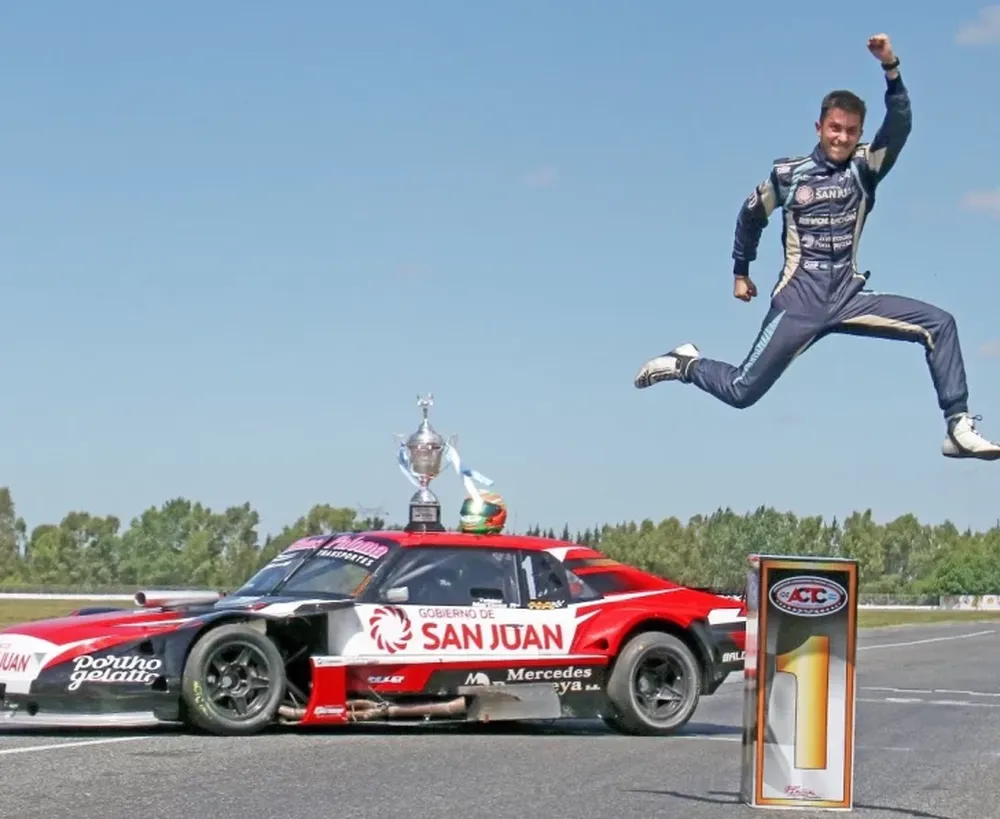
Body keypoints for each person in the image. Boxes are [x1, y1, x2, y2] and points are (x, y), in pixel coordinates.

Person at [633, 34, 1000, 460]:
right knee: (740, 391)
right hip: (798, 303)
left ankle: (957, 425)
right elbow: (750, 215)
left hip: (846, 296)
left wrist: (891, 68)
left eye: (850, 132)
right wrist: (741, 270)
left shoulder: (866, 169)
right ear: (819, 128)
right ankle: (684, 364)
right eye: (834, 129)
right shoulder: (788, 176)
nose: (841, 138)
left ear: (860, 134)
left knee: (939, 323)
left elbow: (900, 124)